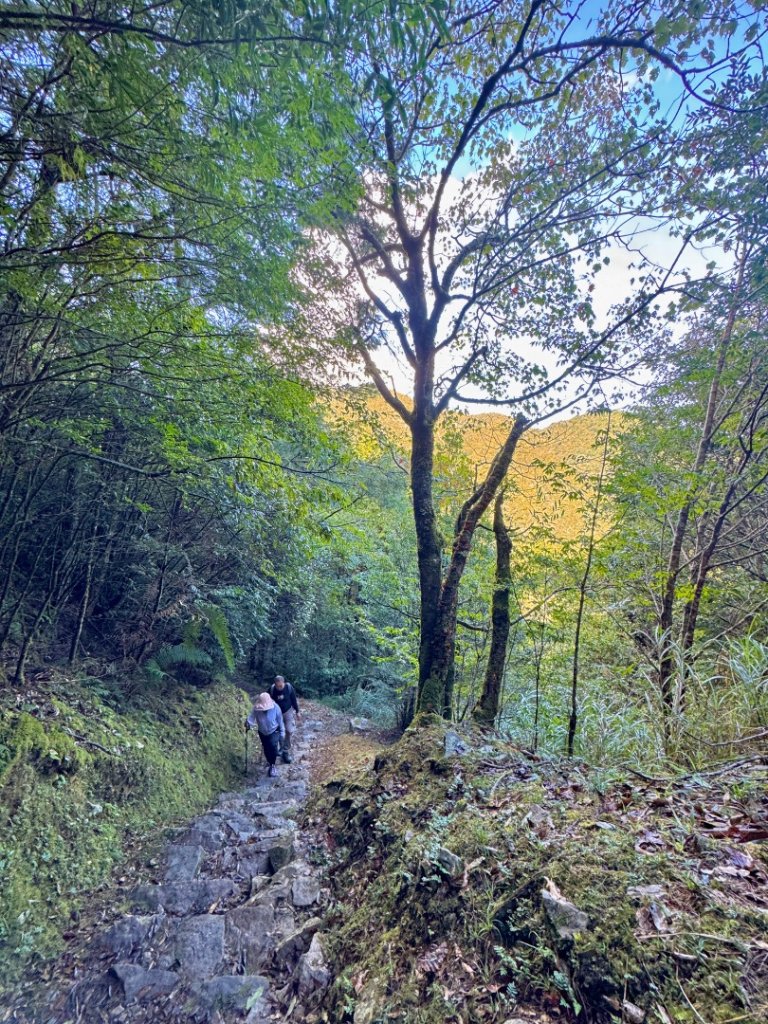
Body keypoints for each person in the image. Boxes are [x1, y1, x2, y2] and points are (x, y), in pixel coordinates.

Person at [245, 692, 285, 777]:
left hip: (274, 730)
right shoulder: (256, 709)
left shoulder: (276, 707)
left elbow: (280, 721)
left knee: (272, 746)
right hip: (262, 732)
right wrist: (248, 723)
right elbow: (251, 718)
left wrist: (282, 733)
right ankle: (270, 762)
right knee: (266, 748)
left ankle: (273, 765)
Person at [269, 674, 300, 763]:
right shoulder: (272, 689)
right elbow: (267, 700)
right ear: (275, 684)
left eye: (281, 686)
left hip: (288, 711)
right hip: (276, 714)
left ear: (284, 683)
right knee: (279, 731)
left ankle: (285, 750)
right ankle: (282, 749)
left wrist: (297, 711)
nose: (279, 688)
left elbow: (293, 699)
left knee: (289, 730)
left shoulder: (288, 687)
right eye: (277, 686)